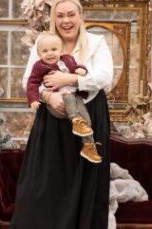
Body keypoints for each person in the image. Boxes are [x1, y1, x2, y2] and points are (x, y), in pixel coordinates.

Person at [8, 0, 114, 229]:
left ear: (80, 16)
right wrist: (47, 96)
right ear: (54, 18)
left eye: (71, 15)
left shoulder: (96, 43)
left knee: (88, 179)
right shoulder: (44, 43)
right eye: (60, 15)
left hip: (90, 114)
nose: (66, 21)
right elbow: (26, 80)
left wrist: (70, 80)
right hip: (51, 116)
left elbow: (106, 77)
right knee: (40, 179)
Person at [25, 32, 102, 164]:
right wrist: (33, 99)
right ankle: (76, 121)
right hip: (57, 103)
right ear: (39, 54)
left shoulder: (68, 59)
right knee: (68, 97)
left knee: (86, 117)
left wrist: (82, 70)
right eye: (45, 51)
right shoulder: (39, 66)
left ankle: (88, 146)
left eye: (54, 49)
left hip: (74, 96)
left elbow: (77, 67)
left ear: (61, 50)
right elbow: (31, 83)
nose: (50, 53)